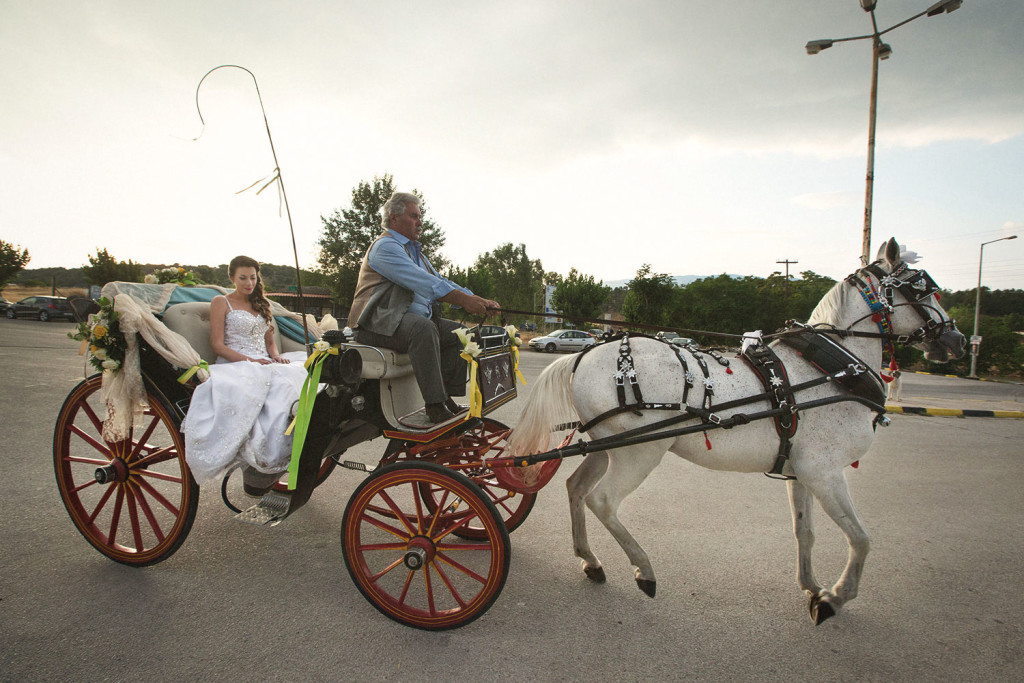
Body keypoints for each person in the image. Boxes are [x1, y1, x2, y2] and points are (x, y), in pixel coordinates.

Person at [348, 192, 500, 424]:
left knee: (463, 336)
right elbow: (425, 282)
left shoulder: (415, 252)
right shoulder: (385, 247)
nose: (420, 222)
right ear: (393, 217)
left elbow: (442, 281)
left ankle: (446, 396)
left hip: (404, 322)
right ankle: (435, 405)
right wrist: (465, 302)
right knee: (423, 329)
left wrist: (479, 300)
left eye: (420, 216)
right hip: (377, 322)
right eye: (414, 216)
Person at [181, 256, 309, 487]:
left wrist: (275, 355)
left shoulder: (262, 303)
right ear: (231, 278)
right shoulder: (222, 302)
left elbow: (269, 340)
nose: (249, 283)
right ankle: (268, 450)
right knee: (275, 382)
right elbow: (217, 345)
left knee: (299, 372)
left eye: (253, 277)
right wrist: (251, 360)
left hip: (263, 360)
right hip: (235, 362)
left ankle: (302, 426)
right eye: (243, 278)